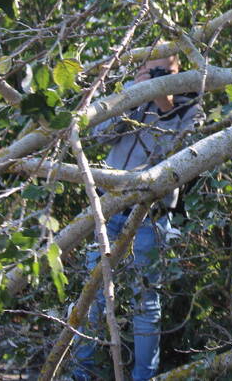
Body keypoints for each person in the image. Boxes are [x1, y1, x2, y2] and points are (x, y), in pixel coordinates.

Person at [72, 56, 201, 381]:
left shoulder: (191, 105)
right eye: (150, 69)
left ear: (179, 72)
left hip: (151, 216)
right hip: (109, 206)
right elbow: (98, 136)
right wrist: (132, 96)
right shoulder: (128, 93)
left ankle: (144, 376)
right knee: (93, 293)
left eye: (165, 72)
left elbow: (180, 157)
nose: (156, 76)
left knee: (145, 301)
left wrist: (164, 102)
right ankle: (80, 373)